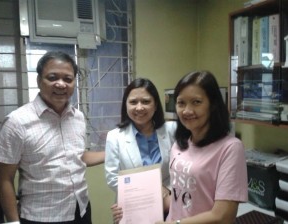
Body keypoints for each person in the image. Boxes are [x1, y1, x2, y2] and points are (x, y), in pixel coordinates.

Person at [0, 51, 104, 224]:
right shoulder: (17, 122)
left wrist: (115, 150)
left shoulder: (78, 118)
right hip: (41, 216)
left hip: (80, 210)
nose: (61, 84)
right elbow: (5, 178)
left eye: (68, 79)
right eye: (52, 77)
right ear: (39, 81)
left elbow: (77, 156)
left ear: (74, 82)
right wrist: (13, 222)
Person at [155, 71, 248, 224]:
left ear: (212, 105)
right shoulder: (179, 145)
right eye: (181, 103)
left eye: (196, 102)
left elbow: (223, 216)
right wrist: (137, 206)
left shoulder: (230, 148)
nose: (187, 111)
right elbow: (183, 198)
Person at [105, 78, 176, 222]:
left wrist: (166, 190)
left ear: (155, 105)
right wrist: (153, 190)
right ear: (125, 105)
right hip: (134, 208)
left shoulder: (172, 130)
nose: (139, 107)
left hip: (170, 204)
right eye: (133, 102)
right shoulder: (114, 136)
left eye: (145, 101)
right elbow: (112, 177)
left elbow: (181, 168)